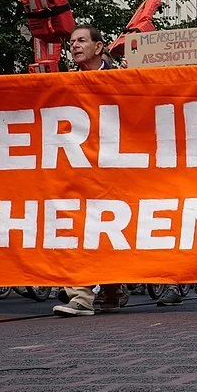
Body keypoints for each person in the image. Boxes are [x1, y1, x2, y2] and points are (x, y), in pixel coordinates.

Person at [54, 25, 133, 317]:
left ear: (98, 47)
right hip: (80, 168)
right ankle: (81, 294)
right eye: (72, 42)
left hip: (115, 167)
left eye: (81, 41)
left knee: (110, 228)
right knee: (77, 226)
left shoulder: (122, 77)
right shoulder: (64, 82)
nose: (74, 46)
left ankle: (112, 287)